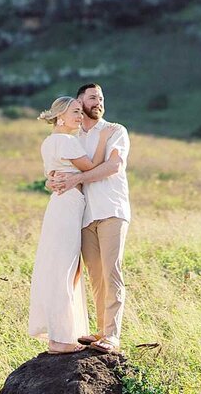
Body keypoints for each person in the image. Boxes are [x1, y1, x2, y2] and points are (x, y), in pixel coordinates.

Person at [28, 95, 118, 354]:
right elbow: (92, 167)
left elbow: (50, 177)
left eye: (81, 112)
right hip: (67, 207)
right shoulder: (66, 142)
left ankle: (59, 337)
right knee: (66, 270)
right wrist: (103, 139)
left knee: (63, 269)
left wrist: (54, 181)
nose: (80, 117)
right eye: (75, 112)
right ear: (60, 116)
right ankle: (62, 340)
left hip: (59, 205)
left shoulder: (48, 143)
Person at [48, 83, 130, 355]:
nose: (98, 101)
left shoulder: (115, 130)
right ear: (79, 102)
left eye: (101, 97)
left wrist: (78, 178)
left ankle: (112, 335)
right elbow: (61, 168)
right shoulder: (73, 138)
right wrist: (53, 180)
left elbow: (113, 166)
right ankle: (100, 331)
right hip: (83, 216)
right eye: (92, 97)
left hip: (110, 210)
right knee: (95, 276)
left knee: (111, 271)